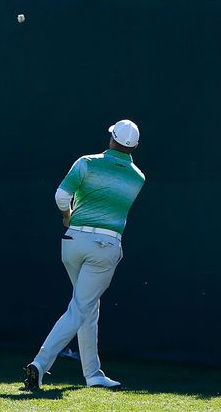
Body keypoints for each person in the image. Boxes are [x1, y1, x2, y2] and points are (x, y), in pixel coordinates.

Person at [22, 119, 145, 393]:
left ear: (112, 139)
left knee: (87, 306)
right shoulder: (138, 177)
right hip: (105, 246)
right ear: (134, 146)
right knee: (81, 307)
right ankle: (40, 364)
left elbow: (61, 196)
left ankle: (93, 374)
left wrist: (67, 216)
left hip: (73, 243)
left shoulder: (86, 162)